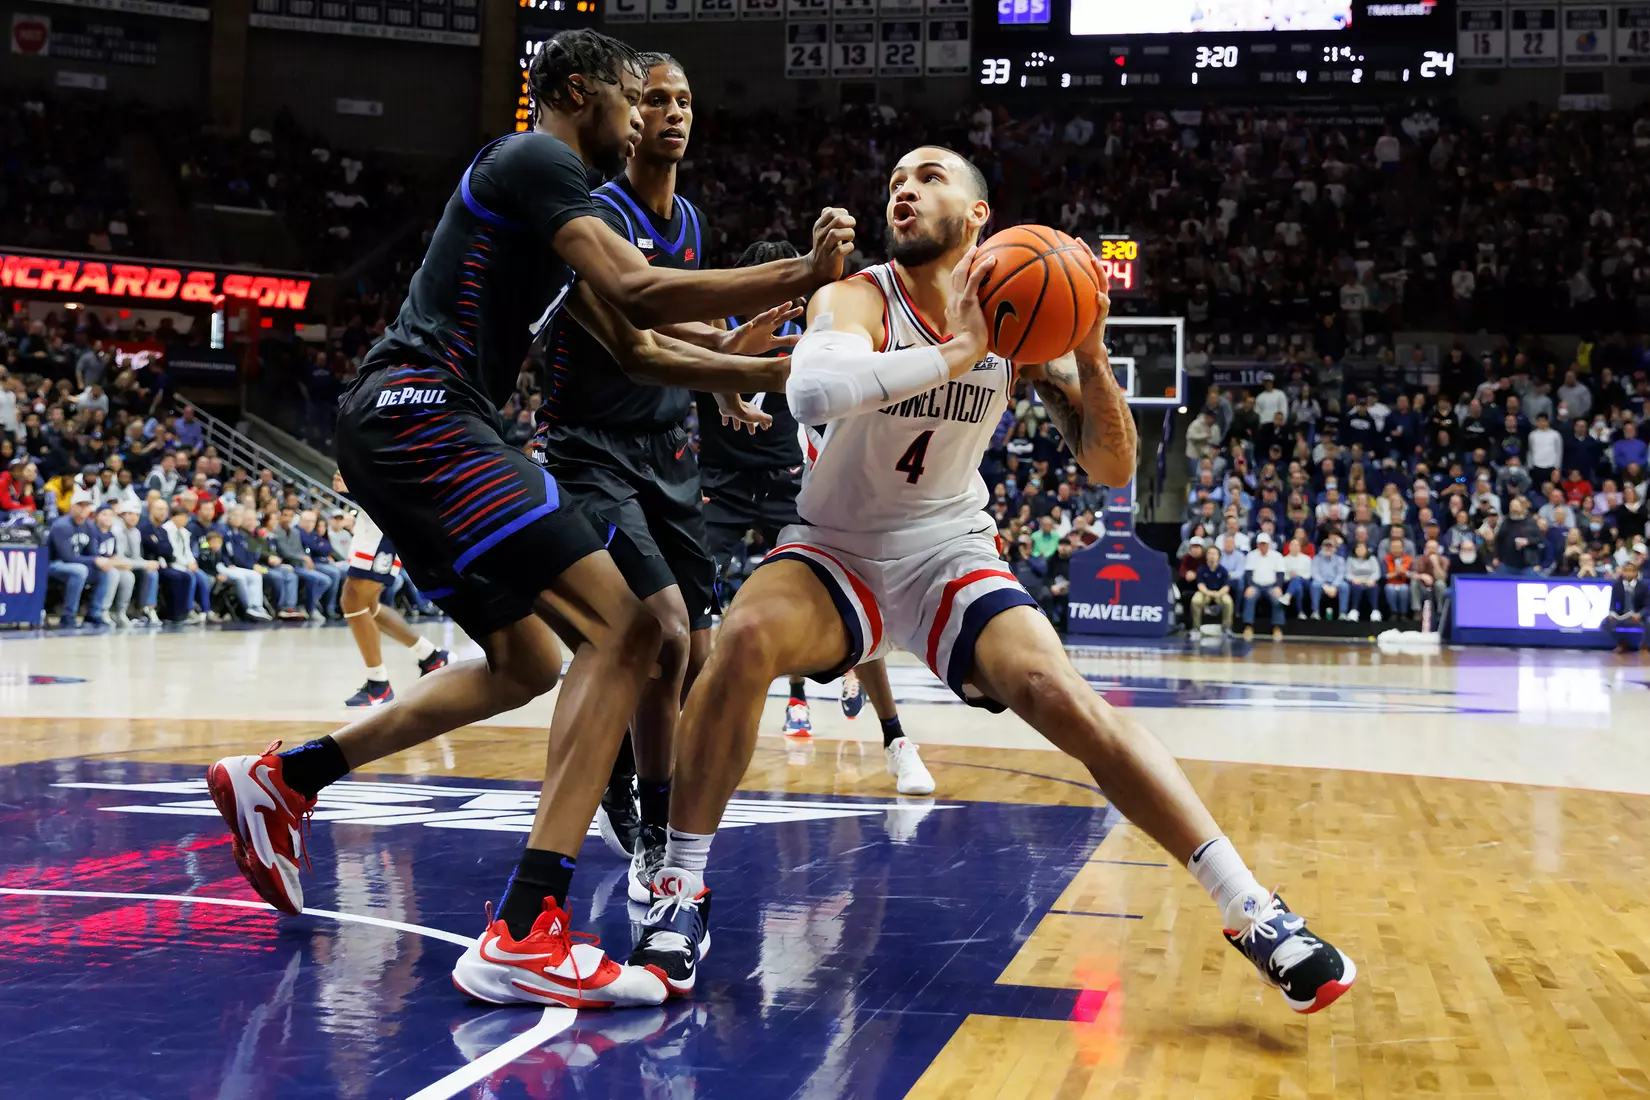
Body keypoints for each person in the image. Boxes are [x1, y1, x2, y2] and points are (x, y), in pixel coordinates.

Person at [208, 29, 854, 1012]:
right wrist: (801, 273)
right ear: (577, 91)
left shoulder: (557, 210)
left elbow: (637, 347)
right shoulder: (535, 157)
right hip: (427, 413)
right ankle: (526, 926)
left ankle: (289, 776)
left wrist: (762, 371)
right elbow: (640, 289)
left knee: (530, 663)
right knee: (633, 626)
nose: (644, 120)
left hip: (408, 425)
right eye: (633, 101)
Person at [630, 145, 1355, 1017]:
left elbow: (1108, 468)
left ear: (979, 215)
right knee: (742, 639)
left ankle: (1252, 908)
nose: (906, 189)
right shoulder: (858, 295)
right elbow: (815, 391)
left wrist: (1087, 353)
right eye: (897, 179)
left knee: (1060, 691)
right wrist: (957, 351)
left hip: (947, 549)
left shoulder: (1019, 316)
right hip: (838, 547)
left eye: (931, 177)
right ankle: (679, 891)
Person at [697, 239, 926, 791]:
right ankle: (672, 745)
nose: (780, 297)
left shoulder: (821, 334)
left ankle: (895, 738)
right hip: (719, 487)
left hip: (788, 484)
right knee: (691, 612)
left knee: (850, 602)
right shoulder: (713, 328)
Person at [331, 472, 451, 706]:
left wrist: (356, 481)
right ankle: (432, 657)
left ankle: (378, 685)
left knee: (354, 599)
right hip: (371, 519)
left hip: (384, 519)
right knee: (369, 605)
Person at [45, 491, 111, 627]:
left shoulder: (90, 525)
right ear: (72, 506)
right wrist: (94, 560)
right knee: (80, 570)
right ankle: (68, 616)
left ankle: (94, 614)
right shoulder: (61, 525)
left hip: (78, 564)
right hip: (54, 564)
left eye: (86, 506)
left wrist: (99, 561)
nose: (83, 509)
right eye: (80, 505)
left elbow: (93, 552)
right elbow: (66, 557)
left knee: (105, 571)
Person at [1241, 532, 1287, 640]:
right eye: (1260, 544)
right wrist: (1249, 586)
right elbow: (1248, 573)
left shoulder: (1277, 556)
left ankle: (1277, 627)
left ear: (1269, 544)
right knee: (1249, 597)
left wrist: (1278, 586)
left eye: (1265, 544)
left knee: (1277, 598)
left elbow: (1280, 574)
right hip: (1255, 585)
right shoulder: (1251, 555)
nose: (1263, 546)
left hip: (1272, 585)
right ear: (1257, 544)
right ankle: (1248, 626)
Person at [1189, 544, 1234, 632]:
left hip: (1220, 593)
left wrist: (1219, 593)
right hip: (1205, 592)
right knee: (1195, 601)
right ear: (1206, 556)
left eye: (1214, 554)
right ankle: (1196, 627)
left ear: (1219, 556)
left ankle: (1227, 627)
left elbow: (1226, 586)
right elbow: (1200, 585)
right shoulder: (1201, 569)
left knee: (1228, 602)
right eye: (1209, 554)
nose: (1212, 556)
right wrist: (1208, 593)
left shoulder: (1223, 570)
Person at [1606, 561, 1648, 653]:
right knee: (1605, 622)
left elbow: (1647, 606)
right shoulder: (1617, 585)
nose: (1628, 573)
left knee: (1649, 621)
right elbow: (1612, 603)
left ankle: (1645, 645)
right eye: (1625, 570)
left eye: (1630, 570)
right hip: (1622, 615)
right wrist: (1612, 613)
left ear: (1636, 572)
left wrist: (1639, 614)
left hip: (1638, 615)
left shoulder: (1643, 586)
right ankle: (1622, 643)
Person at [1310, 533, 1345, 620]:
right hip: (1321, 582)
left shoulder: (1340, 559)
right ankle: (1315, 612)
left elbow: (1341, 574)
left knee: (1345, 586)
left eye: (1331, 547)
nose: (1328, 548)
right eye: (1326, 546)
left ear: (1335, 549)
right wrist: (1324, 585)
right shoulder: (1316, 558)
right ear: (1322, 548)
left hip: (1335, 583)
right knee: (1314, 585)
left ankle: (1343, 613)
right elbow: (1315, 573)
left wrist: (1334, 586)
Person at [1343, 542, 1382, 621]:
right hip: (1356, 581)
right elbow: (1347, 573)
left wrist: (1372, 579)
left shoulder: (1372, 559)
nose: (1360, 550)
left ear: (1366, 550)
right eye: (1358, 548)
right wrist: (1353, 579)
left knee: (1374, 587)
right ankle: (1354, 611)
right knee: (1357, 587)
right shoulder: (1350, 559)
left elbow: (1377, 572)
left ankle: (1375, 611)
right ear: (1355, 550)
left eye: (1363, 549)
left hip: (1369, 580)